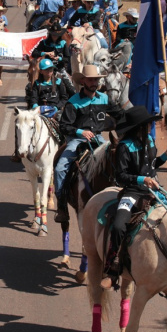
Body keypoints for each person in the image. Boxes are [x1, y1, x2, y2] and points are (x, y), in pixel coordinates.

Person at [102, 106, 167, 289]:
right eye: (147, 124)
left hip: (153, 191)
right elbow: (121, 177)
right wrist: (143, 179)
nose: (150, 127)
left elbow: (152, 165)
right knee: (119, 226)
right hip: (132, 193)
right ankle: (113, 267)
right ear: (138, 127)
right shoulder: (124, 147)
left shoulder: (150, 141)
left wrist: (166, 154)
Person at [54, 64, 124, 223]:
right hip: (77, 141)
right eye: (91, 80)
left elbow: (120, 115)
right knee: (59, 169)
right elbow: (64, 126)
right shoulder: (73, 102)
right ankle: (62, 206)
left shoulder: (105, 99)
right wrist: (81, 132)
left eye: (96, 80)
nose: (94, 83)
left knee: (117, 159)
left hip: (99, 139)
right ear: (83, 81)